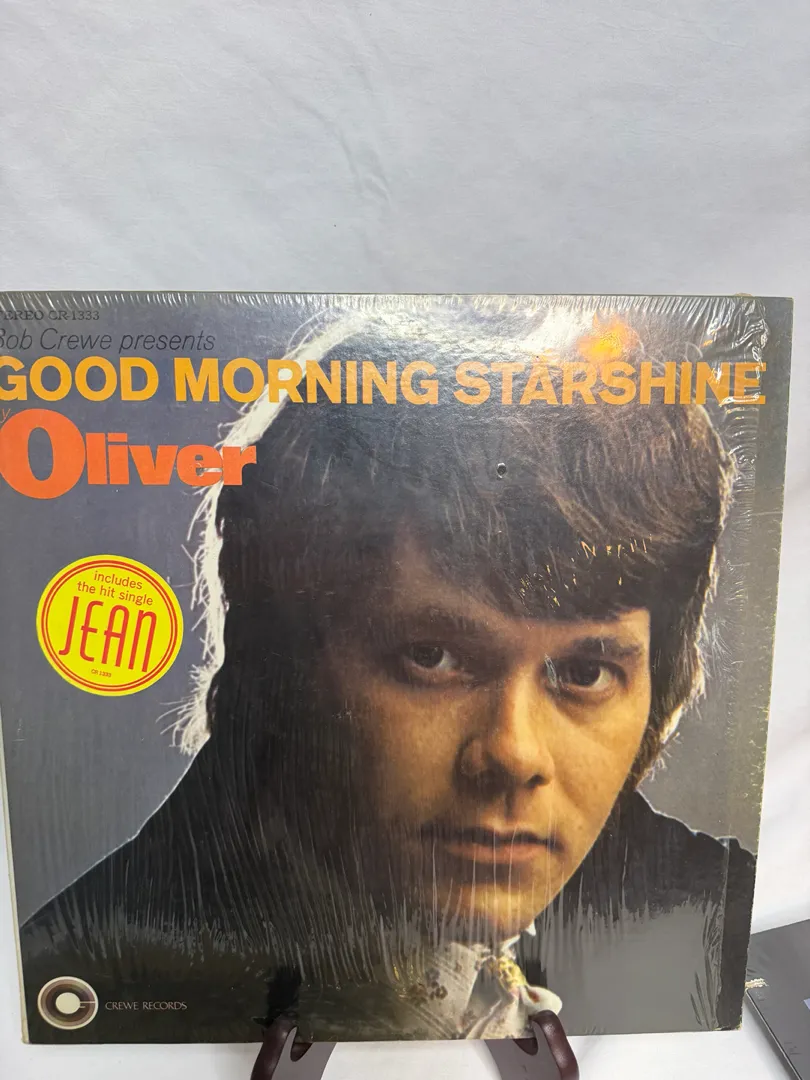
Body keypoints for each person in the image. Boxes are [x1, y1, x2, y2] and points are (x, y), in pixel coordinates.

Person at [18, 309, 754, 1043]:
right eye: (431, 658)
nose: (513, 753)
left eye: (587, 673)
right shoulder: (98, 969)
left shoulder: (708, 921)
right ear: (286, 668)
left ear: (659, 686)